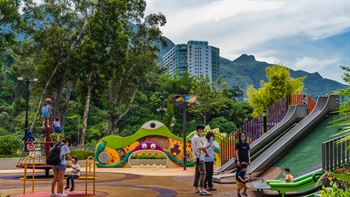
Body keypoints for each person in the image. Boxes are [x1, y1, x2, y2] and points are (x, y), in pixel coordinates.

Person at [191, 125, 212, 196]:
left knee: (197, 173)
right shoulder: (197, 138)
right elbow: (200, 148)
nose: (202, 132)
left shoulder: (193, 138)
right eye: (202, 130)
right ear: (199, 130)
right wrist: (207, 146)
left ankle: (196, 187)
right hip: (200, 158)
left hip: (196, 157)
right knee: (203, 173)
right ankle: (202, 189)